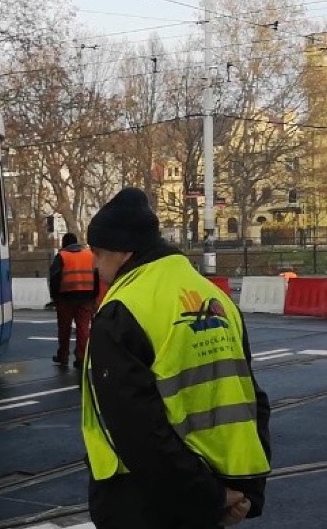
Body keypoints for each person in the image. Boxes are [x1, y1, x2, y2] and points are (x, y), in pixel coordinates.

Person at [81, 187, 271, 529]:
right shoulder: (217, 299)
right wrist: (242, 492)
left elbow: (138, 430)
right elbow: (249, 398)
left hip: (145, 502)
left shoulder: (122, 310)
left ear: (123, 251)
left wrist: (206, 497)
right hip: (217, 488)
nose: (95, 266)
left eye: (98, 254)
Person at [49, 232, 98, 369]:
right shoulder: (89, 255)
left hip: (66, 298)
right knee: (83, 328)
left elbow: (54, 278)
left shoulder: (62, 256)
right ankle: (81, 357)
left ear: (64, 243)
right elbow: (97, 275)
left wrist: (54, 297)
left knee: (64, 328)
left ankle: (63, 356)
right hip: (87, 297)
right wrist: (95, 295)